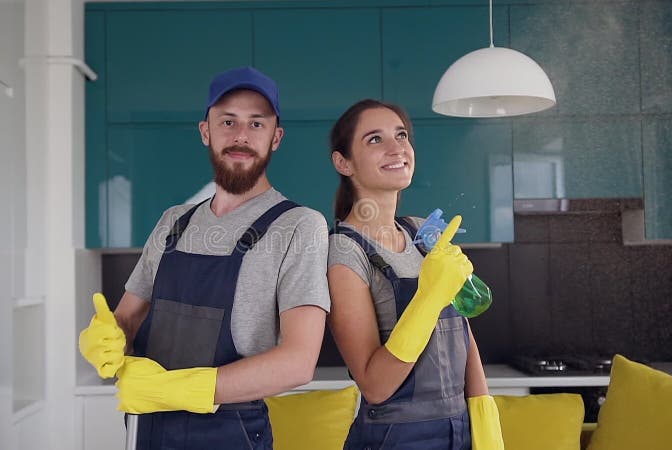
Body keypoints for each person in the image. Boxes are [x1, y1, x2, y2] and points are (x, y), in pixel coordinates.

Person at [78, 66, 331, 449]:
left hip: (232, 434)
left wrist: (180, 389)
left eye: (256, 124)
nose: (241, 136)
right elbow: (127, 318)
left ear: (276, 138)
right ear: (205, 131)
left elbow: (298, 362)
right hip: (146, 430)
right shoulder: (173, 222)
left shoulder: (299, 225)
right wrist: (107, 338)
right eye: (227, 121)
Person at [326, 99, 504, 449]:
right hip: (396, 437)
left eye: (401, 135)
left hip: (460, 430)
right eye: (375, 139)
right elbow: (375, 386)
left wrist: (485, 420)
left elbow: (465, 337)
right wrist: (429, 296)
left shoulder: (423, 234)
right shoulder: (345, 251)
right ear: (343, 162)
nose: (397, 148)